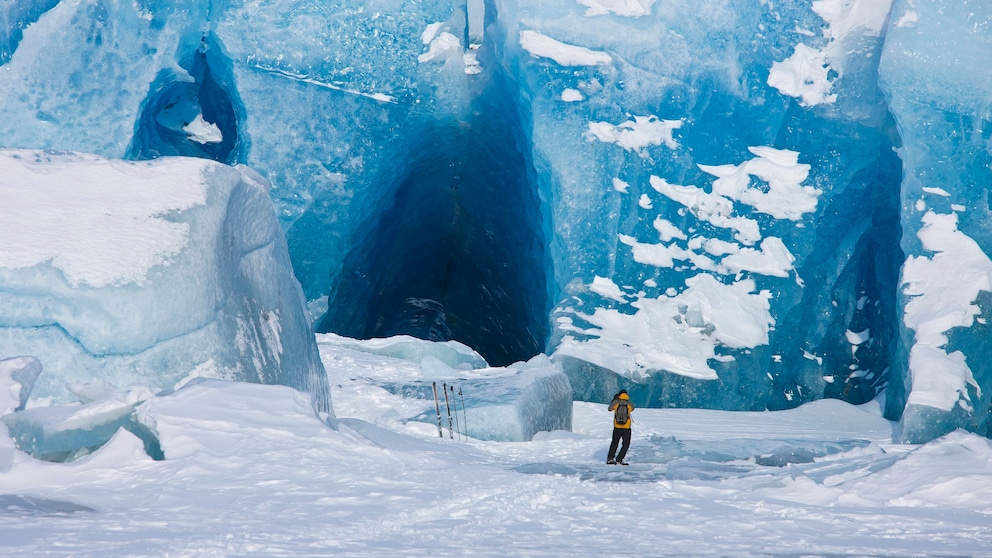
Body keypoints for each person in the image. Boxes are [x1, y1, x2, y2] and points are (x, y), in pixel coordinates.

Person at [606, 390, 634, 465]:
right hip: (626, 428)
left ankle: (610, 458)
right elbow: (633, 409)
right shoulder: (629, 404)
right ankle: (619, 459)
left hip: (617, 427)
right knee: (626, 444)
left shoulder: (616, 402)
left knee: (614, 443)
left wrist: (614, 400)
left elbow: (609, 409)